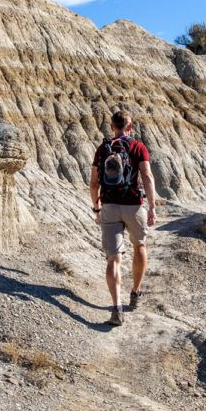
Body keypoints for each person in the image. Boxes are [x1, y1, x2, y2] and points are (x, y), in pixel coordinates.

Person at [90, 110, 157, 326]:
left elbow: (93, 183)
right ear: (130, 127)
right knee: (139, 246)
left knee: (113, 259)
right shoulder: (138, 147)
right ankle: (136, 292)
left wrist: (97, 209)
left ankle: (117, 308)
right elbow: (146, 176)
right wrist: (152, 207)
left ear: (112, 127)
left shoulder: (103, 149)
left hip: (109, 206)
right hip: (133, 205)